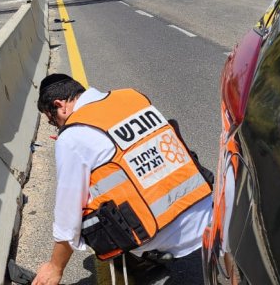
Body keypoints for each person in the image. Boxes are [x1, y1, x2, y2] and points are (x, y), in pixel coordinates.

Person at [33, 74, 213, 285]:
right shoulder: (132, 96)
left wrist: (55, 267)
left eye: (53, 120)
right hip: (207, 208)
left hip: (161, 230)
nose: (58, 127)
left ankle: (140, 260)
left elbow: (68, 216)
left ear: (60, 106)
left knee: (89, 206)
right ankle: (146, 259)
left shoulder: (71, 136)